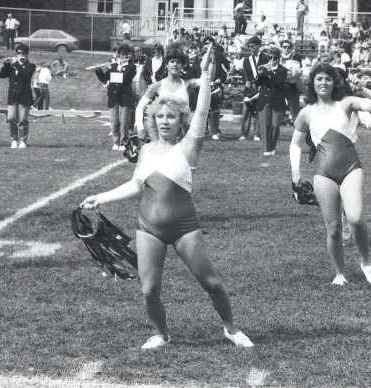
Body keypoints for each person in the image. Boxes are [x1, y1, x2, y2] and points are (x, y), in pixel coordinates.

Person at [81, 43, 253, 350]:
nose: (164, 121)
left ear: (180, 121)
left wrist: (204, 73)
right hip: (148, 228)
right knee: (149, 290)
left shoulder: (188, 147)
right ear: (152, 119)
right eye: (159, 116)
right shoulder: (146, 150)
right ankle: (161, 334)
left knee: (211, 283)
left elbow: (201, 111)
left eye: (170, 117)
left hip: (185, 228)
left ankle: (231, 328)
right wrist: (101, 197)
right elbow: (136, 186)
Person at [289, 63, 371, 286]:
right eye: (319, 79)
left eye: (328, 79)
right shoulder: (306, 112)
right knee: (333, 228)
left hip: (351, 168)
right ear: (312, 82)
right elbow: (295, 145)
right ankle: (340, 273)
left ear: (335, 82)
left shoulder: (346, 102)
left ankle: (365, 261)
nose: (324, 83)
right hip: (323, 172)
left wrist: (364, 89)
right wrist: (295, 176)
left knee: (355, 217)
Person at [136, 43, 193, 139]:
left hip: (183, 134)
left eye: (178, 62)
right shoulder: (157, 86)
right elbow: (140, 107)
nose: (175, 65)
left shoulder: (187, 85)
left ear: (182, 65)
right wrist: (140, 128)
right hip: (162, 134)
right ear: (166, 64)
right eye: (172, 61)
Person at [95, 44, 136, 151]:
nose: (122, 57)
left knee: (124, 121)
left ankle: (124, 142)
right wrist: (99, 71)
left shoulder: (131, 66)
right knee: (114, 121)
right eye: (121, 54)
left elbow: (123, 79)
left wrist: (113, 69)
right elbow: (105, 79)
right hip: (113, 96)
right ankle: (116, 141)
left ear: (128, 55)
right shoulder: (114, 66)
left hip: (125, 97)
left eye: (125, 55)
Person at [0, 43, 35, 149]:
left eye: (23, 53)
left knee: (23, 119)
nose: (20, 55)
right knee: (11, 118)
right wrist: (6, 65)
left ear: (26, 54)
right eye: (18, 53)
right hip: (12, 95)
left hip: (25, 95)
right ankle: (14, 139)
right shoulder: (12, 66)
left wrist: (15, 64)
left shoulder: (30, 66)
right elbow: (1, 75)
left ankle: (23, 140)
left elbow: (25, 75)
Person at [255, 47, 288, 160]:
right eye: (270, 58)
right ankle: (266, 149)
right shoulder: (264, 68)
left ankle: (272, 147)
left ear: (278, 59)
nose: (272, 60)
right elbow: (257, 83)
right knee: (264, 126)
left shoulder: (283, 70)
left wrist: (269, 72)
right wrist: (260, 74)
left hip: (277, 101)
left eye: (274, 58)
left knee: (275, 126)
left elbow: (278, 83)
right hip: (264, 100)